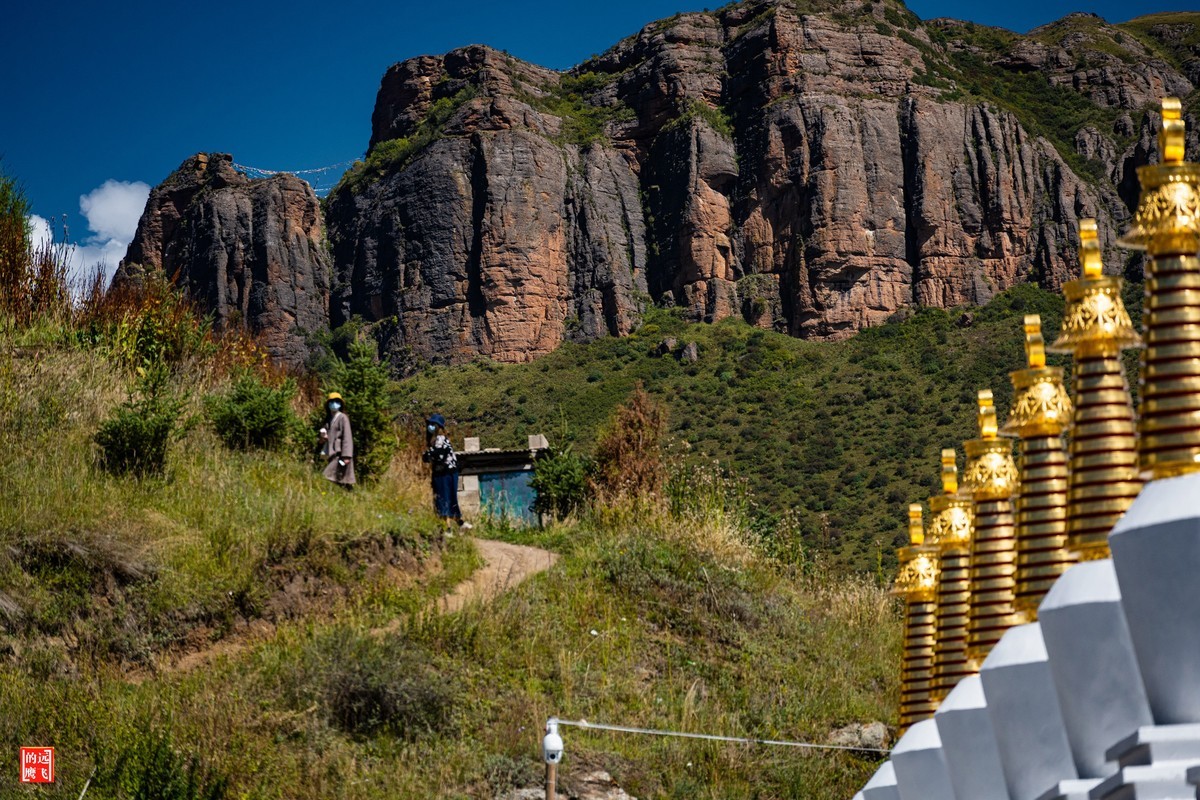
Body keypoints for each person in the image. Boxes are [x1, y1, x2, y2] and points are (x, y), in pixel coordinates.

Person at [423, 414, 471, 529]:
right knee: (448, 498)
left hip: (445, 473)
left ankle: (447, 528)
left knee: (443, 499)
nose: (430, 427)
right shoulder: (436, 440)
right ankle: (460, 523)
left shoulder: (440, 440)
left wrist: (427, 455)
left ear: (438, 427)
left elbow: (437, 455)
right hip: (446, 473)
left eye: (433, 424)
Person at [320, 392, 356, 488]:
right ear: (328, 404)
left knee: (329, 474)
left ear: (340, 404)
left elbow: (347, 436)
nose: (334, 404)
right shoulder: (329, 419)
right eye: (331, 402)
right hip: (332, 452)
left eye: (336, 401)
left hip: (340, 454)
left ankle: (346, 491)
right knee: (339, 477)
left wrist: (347, 455)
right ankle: (346, 493)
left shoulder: (343, 418)